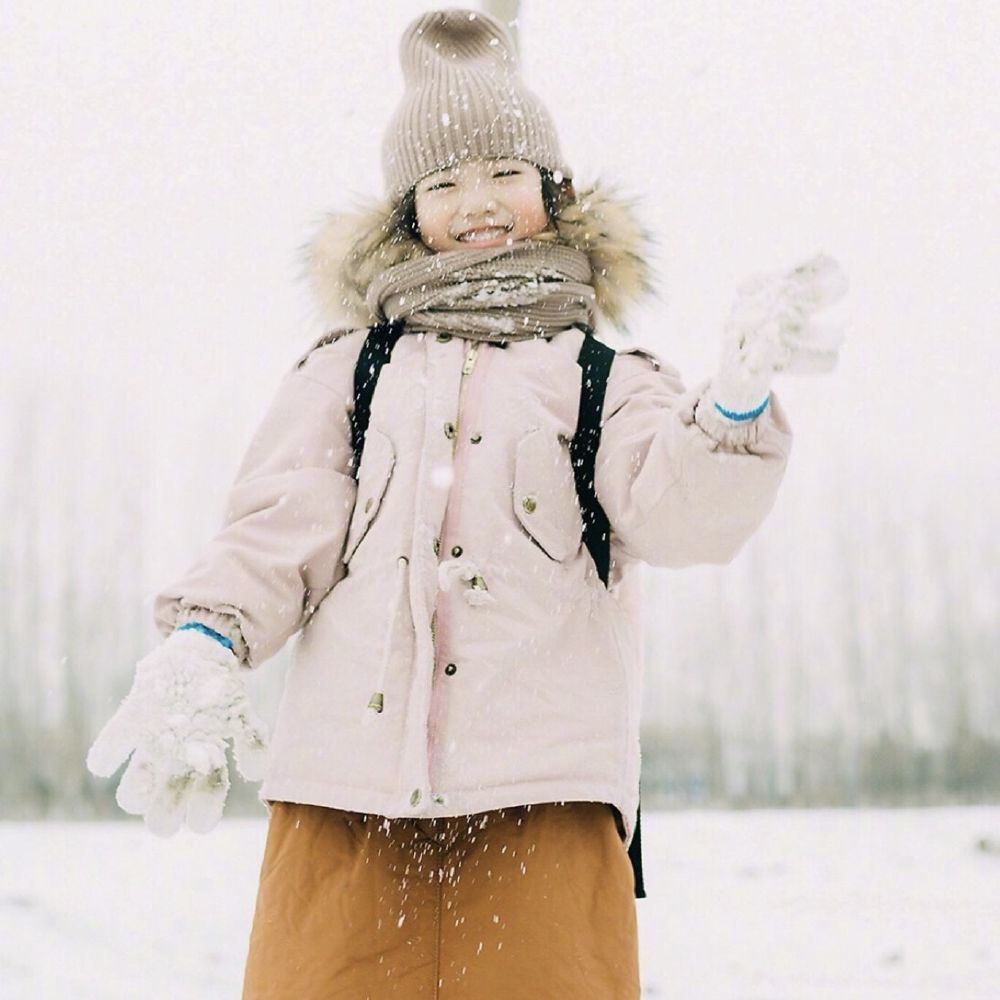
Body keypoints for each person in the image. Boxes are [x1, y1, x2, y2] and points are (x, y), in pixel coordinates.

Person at [86, 8, 847, 997]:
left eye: (503, 172)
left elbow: (681, 513)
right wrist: (206, 641)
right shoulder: (348, 371)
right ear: (409, 213)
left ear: (551, 191)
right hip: (343, 810)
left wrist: (734, 403)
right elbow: (275, 531)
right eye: (443, 183)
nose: (477, 202)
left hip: (545, 811)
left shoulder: (603, 377)